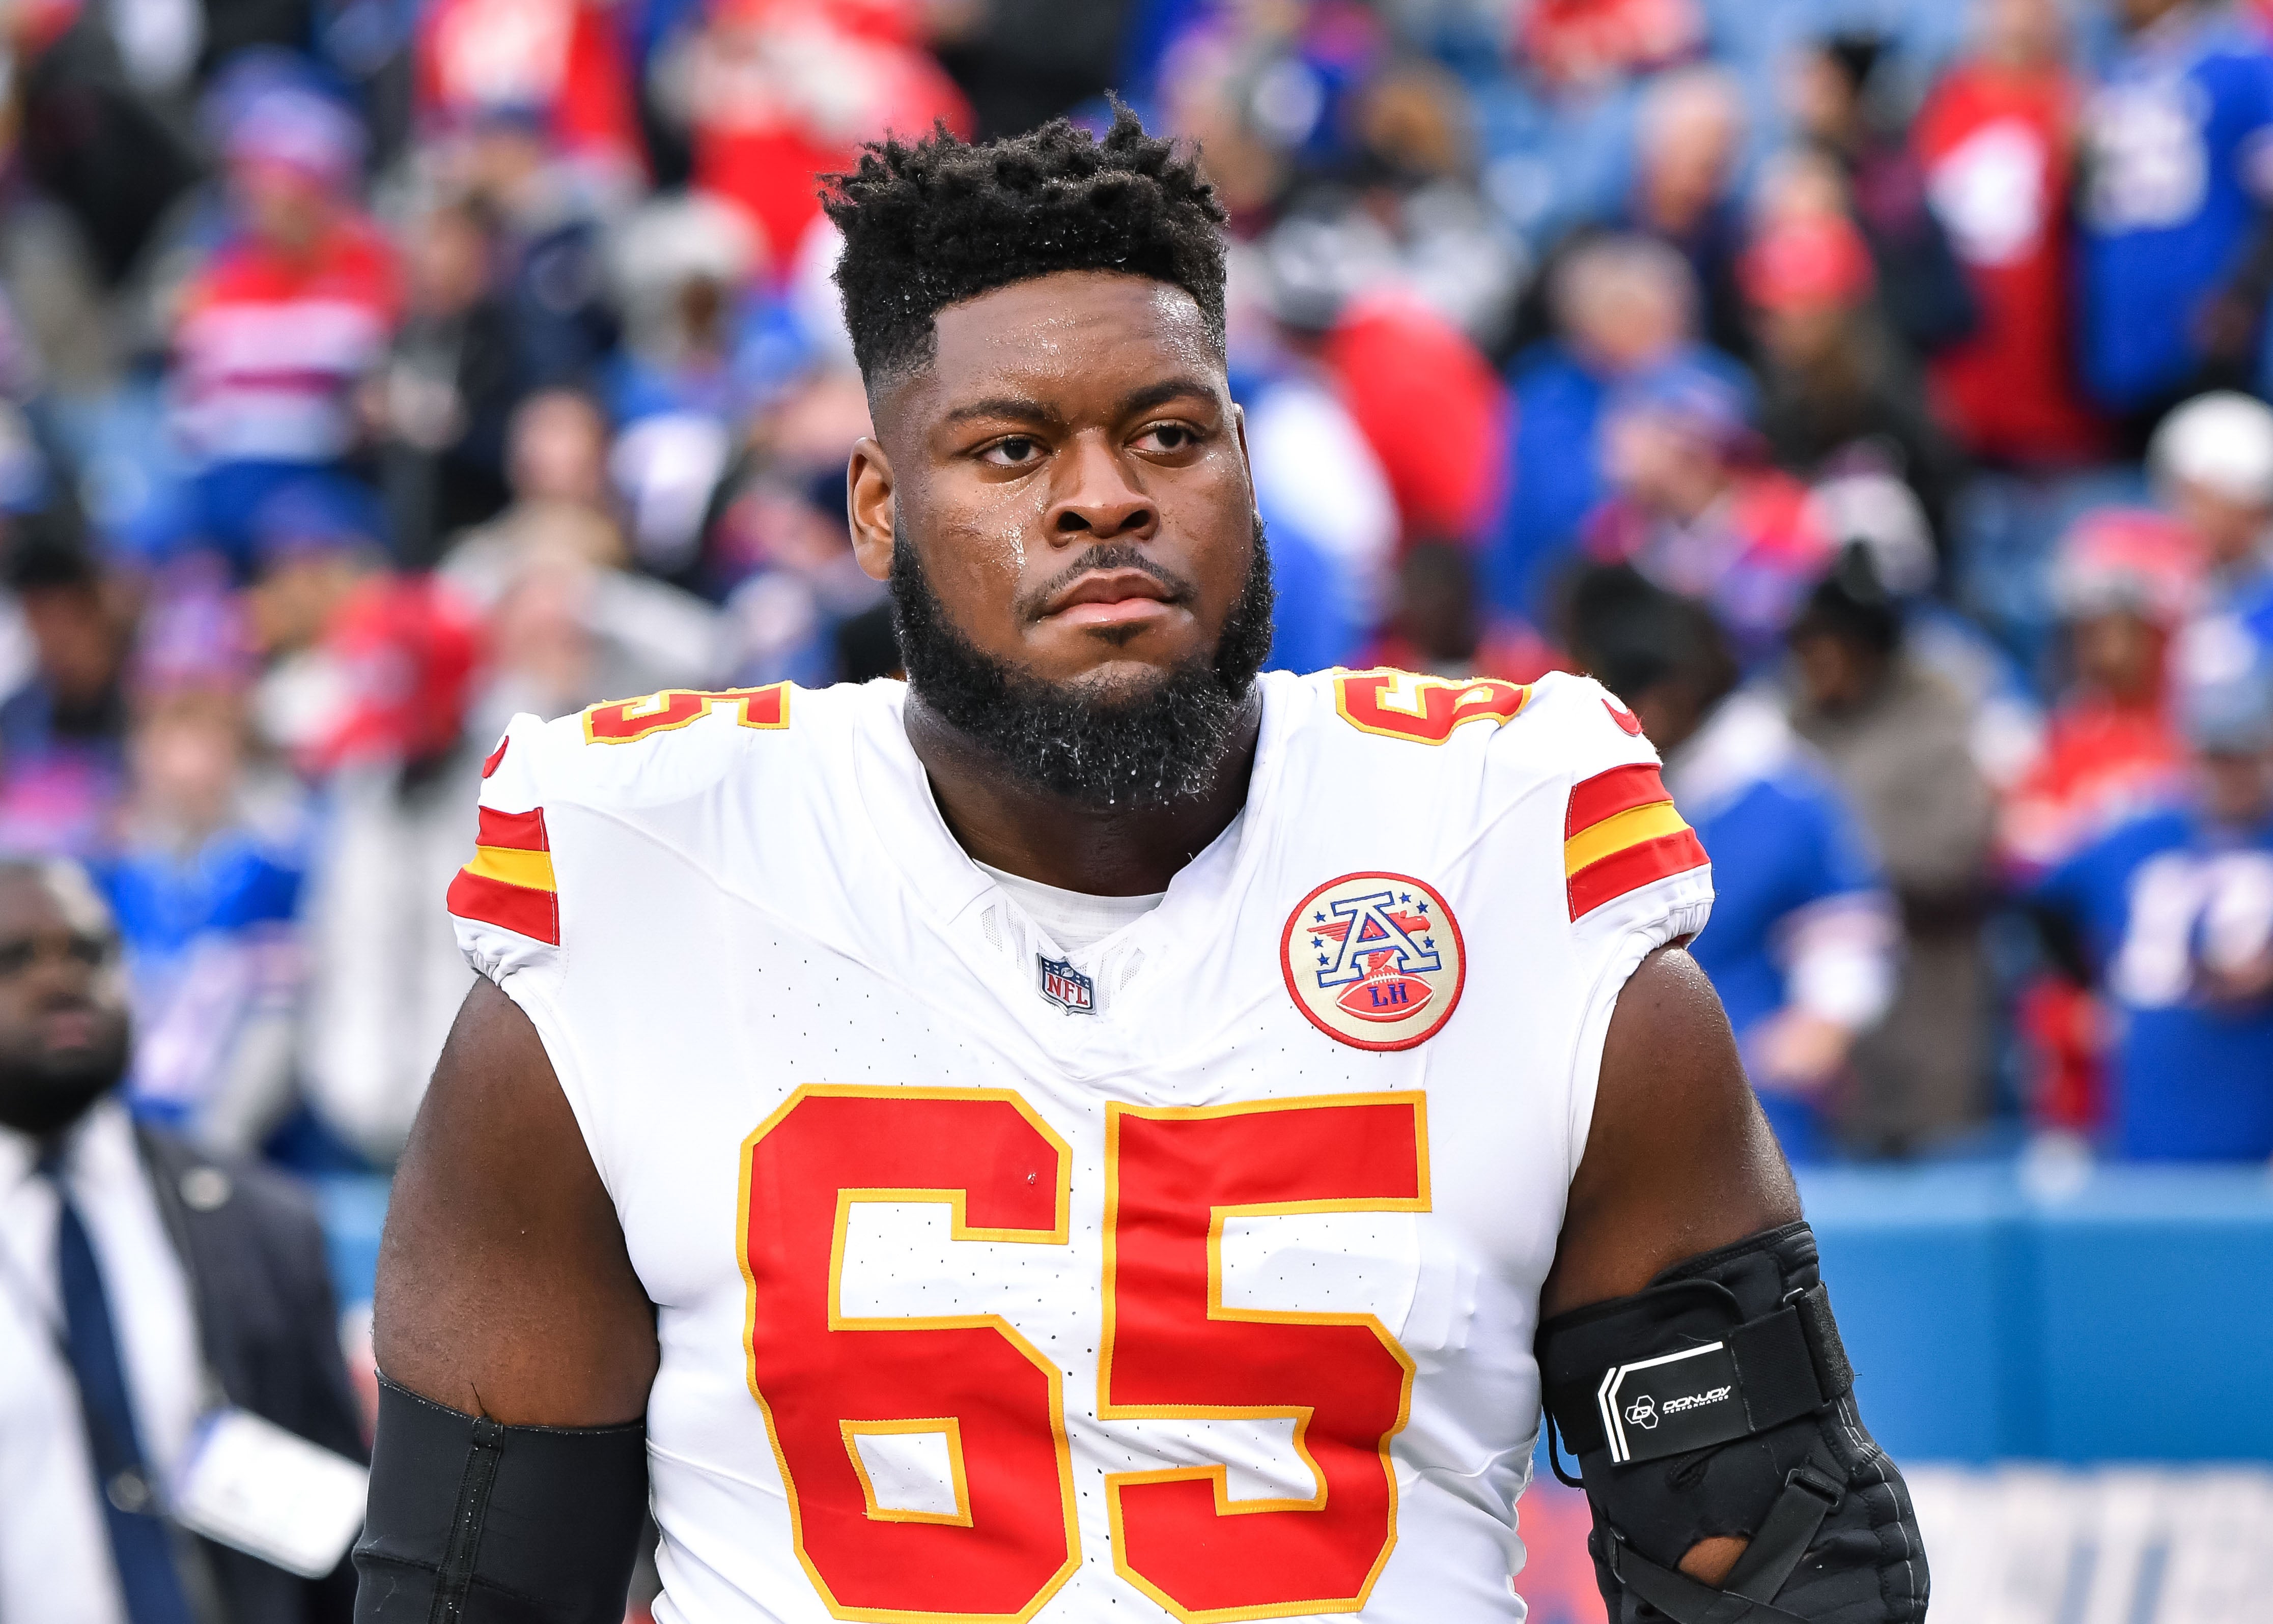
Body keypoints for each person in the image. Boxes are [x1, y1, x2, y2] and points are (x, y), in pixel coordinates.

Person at [356, 115, 1926, 1624]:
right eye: (1011, 446)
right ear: (879, 509)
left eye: (1167, 434)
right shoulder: (655, 874)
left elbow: (1779, 1565)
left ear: (1243, 464)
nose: (1103, 494)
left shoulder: (1499, 854)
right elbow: (474, 1589)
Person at [0, 857, 364, 1622]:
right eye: (16, 959)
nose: (62, 980)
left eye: (91, 952)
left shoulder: (260, 1222)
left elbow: (339, 1527)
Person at [1569, 565, 1897, 1164]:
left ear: (1679, 692)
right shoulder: (1603, 787)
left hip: (1751, 1117)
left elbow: (1846, 950)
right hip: (1623, 1107)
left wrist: (1813, 1030)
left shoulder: (1780, 791)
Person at [1786, 553, 1998, 1156]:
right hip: (1818, 991)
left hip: (1924, 978)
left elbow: (1957, 849)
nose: (1816, 668)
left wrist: (1841, 872)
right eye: (1807, 654)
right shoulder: (1793, 721)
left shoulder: (1935, 713)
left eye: (1830, 653)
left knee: (1926, 1163)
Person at [2032, 648, 2273, 1159]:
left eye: (2245, 753)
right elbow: (2040, 903)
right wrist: (2089, 986)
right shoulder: (2140, 835)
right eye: (2217, 753)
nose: (2231, 770)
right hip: (2153, 1124)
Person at [1911, 0, 2108, 468]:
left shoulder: (2078, 105)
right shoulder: (1939, 103)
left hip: (2055, 390)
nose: (2018, 21)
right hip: (1957, 384)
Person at [2075, 0, 2273, 433]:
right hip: (2116, 337)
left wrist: (2243, 294)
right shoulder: (2105, 72)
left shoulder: (2240, 64)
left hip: (2206, 333)